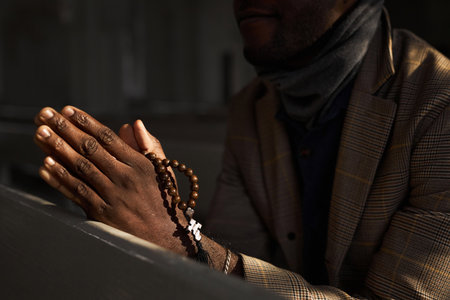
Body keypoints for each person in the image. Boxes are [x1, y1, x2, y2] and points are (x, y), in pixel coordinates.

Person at [34, 0, 449, 298]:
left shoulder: (439, 106)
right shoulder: (252, 107)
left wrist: (175, 235)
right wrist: (162, 225)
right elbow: (229, 265)